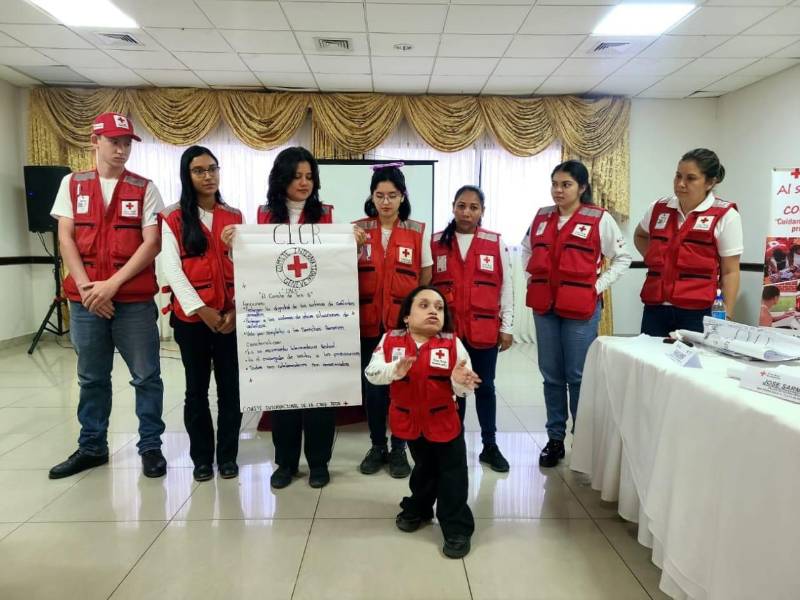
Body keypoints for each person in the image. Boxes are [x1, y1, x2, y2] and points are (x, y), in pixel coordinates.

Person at [48, 112, 167, 479]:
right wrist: (87, 289)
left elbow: (152, 243)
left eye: (127, 143)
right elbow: (65, 237)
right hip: (85, 301)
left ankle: (150, 446)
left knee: (146, 376)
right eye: (115, 141)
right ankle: (92, 446)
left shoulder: (144, 187)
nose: (121, 149)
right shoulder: (73, 184)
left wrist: (111, 285)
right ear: (95, 141)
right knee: (91, 377)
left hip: (132, 300)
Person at [221, 146, 337, 490]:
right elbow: (251, 262)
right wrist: (232, 245)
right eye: (297, 176)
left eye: (309, 176)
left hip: (317, 318)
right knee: (283, 392)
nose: (304, 183)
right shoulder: (263, 214)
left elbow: (337, 262)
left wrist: (355, 243)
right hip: (277, 320)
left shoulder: (327, 214)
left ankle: (318, 463)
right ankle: (285, 462)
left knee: (319, 392)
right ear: (281, 178)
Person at [522, 160, 631, 468]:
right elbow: (526, 249)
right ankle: (554, 439)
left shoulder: (599, 219)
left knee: (579, 376)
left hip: (581, 310)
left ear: (582, 188)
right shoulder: (542, 217)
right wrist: (533, 279)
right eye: (555, 184)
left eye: (566, 184)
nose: (558, 190)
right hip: (546, 308)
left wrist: (597, 287)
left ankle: (582, 440)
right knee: (551, 376)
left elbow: (623, 258)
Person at [365, 286, 479, 558]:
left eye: (439, 308)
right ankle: (420, 507)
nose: (433, 311)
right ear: (406, 315)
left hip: (444, 423)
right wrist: (394, 370)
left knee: (452, 475)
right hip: (410, 423)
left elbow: (463, 386)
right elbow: (372, 373)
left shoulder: (452, 343)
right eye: (424, 305)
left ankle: (456, 527)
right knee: (424, 469)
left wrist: (460, 382)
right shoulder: (390, 341)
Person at [160, 146, 242, 482]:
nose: (208, 176)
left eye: (212, 169)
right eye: (199, 171)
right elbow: (172, 270)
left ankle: (227, 457)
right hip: (193, 321)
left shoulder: (234, 216)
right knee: (196, 390)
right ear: (187, 175)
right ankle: (201, 458)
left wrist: (236, 309)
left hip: (230, 318)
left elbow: (246, 265)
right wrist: (202, 310)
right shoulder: (172, 217)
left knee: (230, 390)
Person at [354, 164, 433, 479]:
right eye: (379, 195)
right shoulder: (358, 230)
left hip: (401, 329)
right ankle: (377, 446)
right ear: (372, 197)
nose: (385, 202)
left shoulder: (416, 231)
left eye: (392, 196)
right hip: (368, 324)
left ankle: (399, 448)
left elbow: (425, 275)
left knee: (401, 388)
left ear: (402, 197)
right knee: (374, 387)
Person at [431, 185, 512, 472]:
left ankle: (490, 446)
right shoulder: (437, 242)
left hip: (484, 330)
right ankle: (455, 444)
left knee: (485, 387)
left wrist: (508, 326)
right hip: (449, 334)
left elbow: (506, 287)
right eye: (461, 205)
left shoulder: (495, 242)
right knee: (455, 389)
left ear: (482, 211)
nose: (467, 212)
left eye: (473, 207)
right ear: (453, 207)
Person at [635, 148, 743, 335]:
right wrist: (657, 260)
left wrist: (726, 315)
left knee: (693, 364)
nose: (681, 184)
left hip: (698, 312)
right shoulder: (658, 208)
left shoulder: (726, 216)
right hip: (655, 309)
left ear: (709, 182)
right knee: (650, 362)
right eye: (678, 176)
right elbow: (640, 235)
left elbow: (730, 271)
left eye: (690, 178)